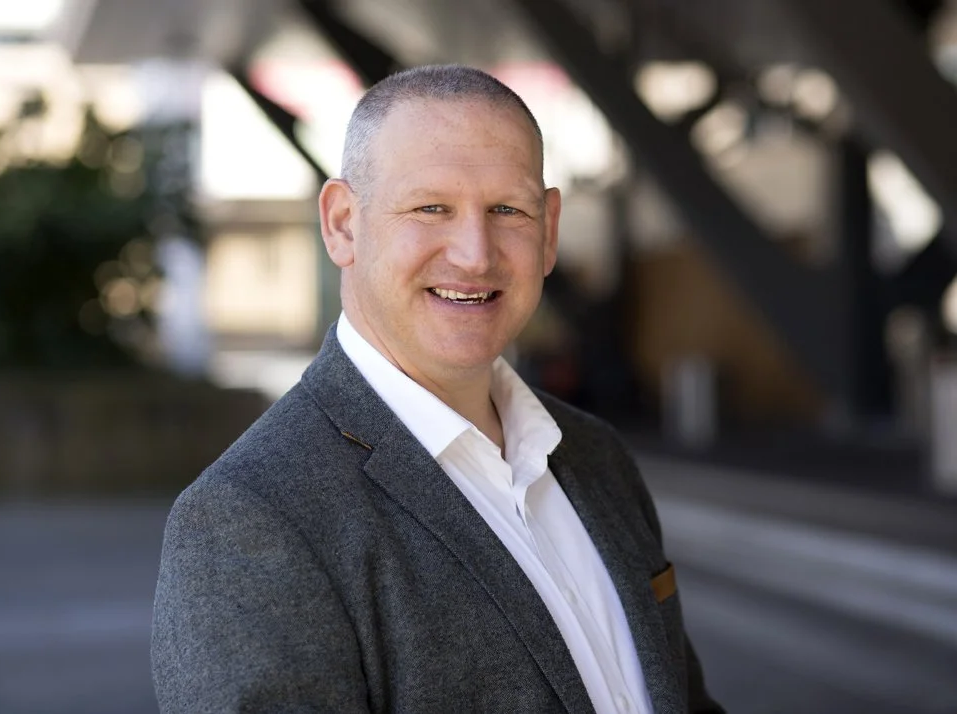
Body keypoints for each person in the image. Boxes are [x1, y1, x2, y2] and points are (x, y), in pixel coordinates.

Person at [151, 64, 723, 714]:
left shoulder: (596, 456)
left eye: (507, 209)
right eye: (431, 208)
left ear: (549, 230)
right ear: (342, 223)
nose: (476, 254)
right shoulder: (249, 519)